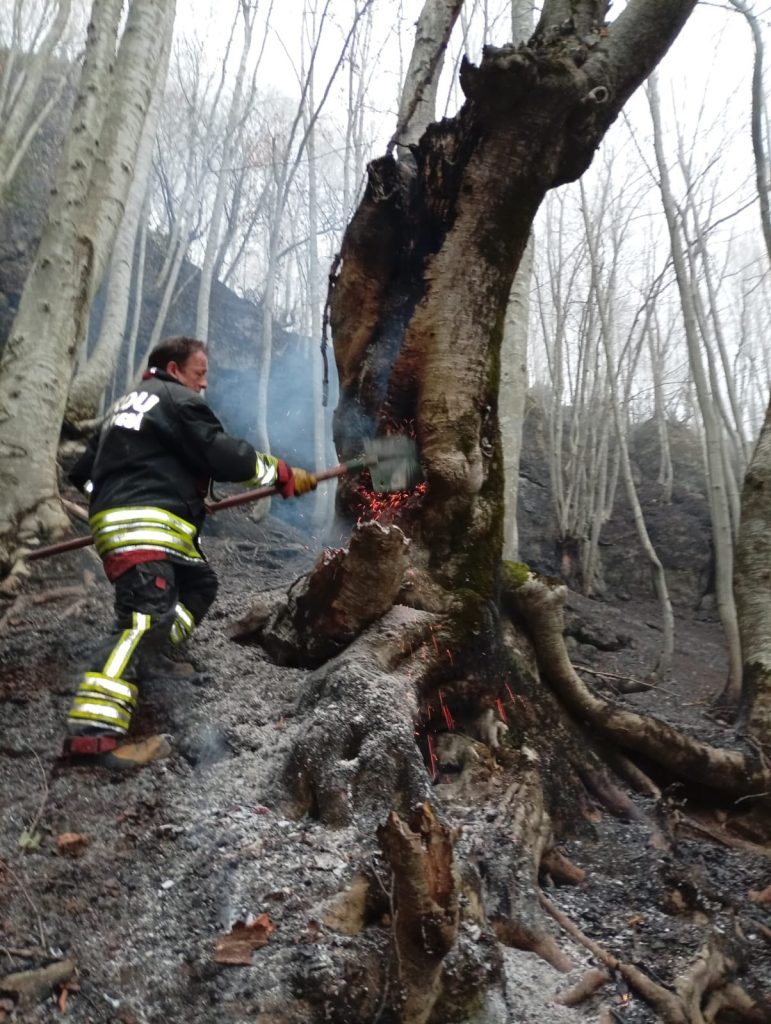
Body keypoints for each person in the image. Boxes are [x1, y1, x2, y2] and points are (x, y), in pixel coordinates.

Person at [64, 336, 317, 767]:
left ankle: (157, 655)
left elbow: (81, 475)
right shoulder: (175, 397)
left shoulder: (124, 407)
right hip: (144, 526)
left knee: (200, 584)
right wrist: (280, 472)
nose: (203, 386)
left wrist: (128, 490)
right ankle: (93, 735)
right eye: (199, 375)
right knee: (141, 623)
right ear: (174, 369)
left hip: (136, 524)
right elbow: (220, 453)